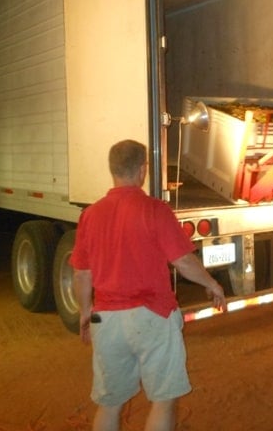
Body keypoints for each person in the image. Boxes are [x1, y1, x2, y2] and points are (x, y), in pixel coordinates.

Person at [71, 139, 226, 431]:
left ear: (112, 170)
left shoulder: (90, 215)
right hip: (152, 315)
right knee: (163, 400)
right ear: (143, 169)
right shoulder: (155, 210)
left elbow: (81, 274)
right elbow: (182, 261)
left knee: (110, 403)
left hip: (106, 319)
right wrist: (212, 284)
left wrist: (84, 312)